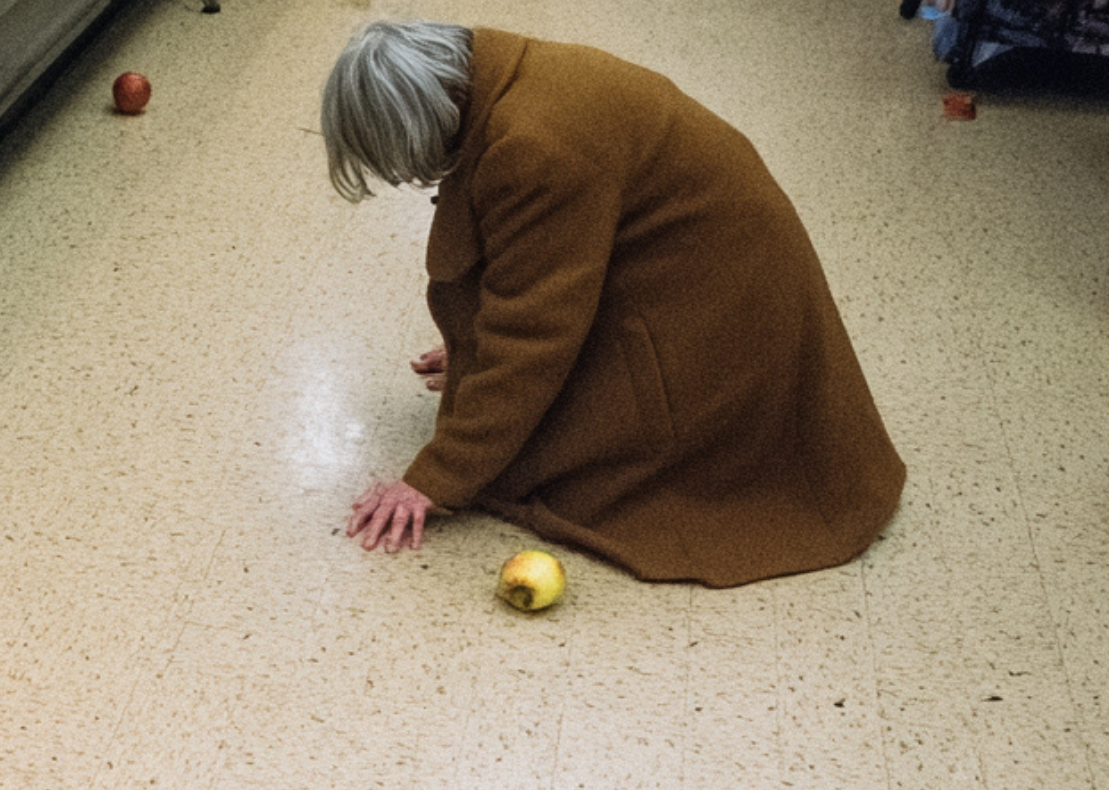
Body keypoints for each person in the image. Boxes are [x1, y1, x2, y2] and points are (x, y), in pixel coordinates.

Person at [326, 20, 906, 588]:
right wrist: (471, 346)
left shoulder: (534, 141)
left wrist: (437, 476)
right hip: (696, 261)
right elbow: (530, 259)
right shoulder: (486, 73)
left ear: (430, 115)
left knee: (555, 460)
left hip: (719, 301)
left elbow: (532, 331)